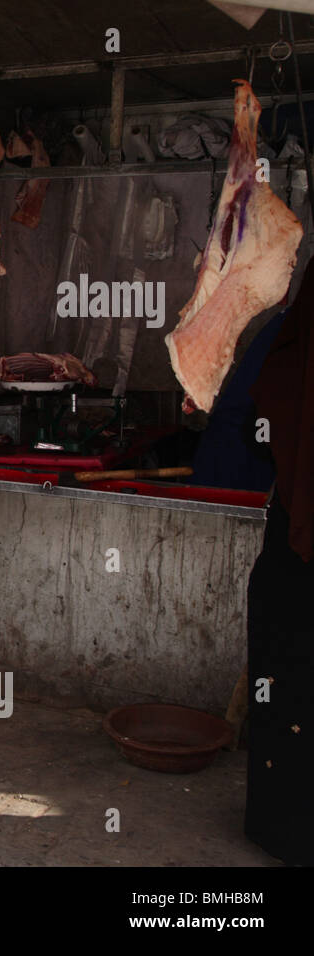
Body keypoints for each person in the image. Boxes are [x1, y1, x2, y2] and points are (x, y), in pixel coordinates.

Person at [245, 258, 314, 866]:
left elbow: (258, 428)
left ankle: (282, 828)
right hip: (294, 541)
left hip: (295, 546)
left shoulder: (293, 343)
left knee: (286, 684)